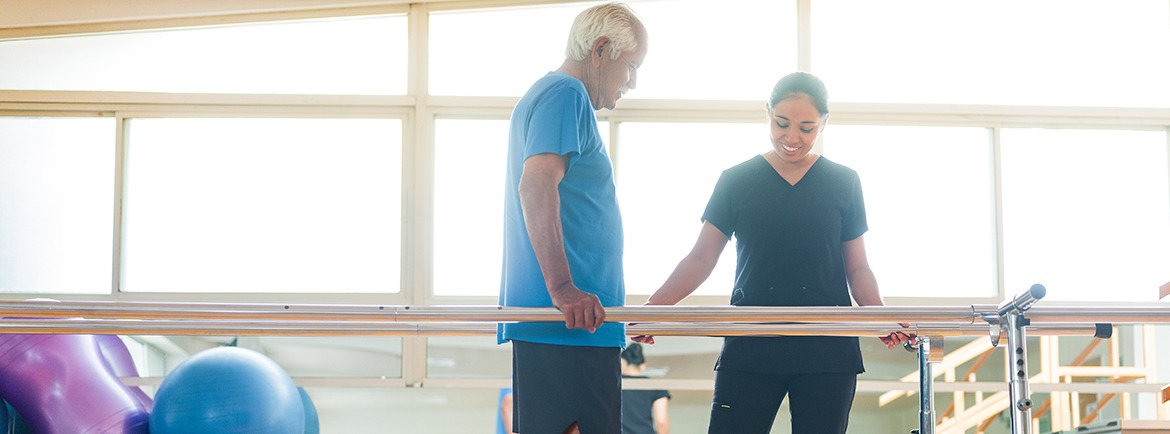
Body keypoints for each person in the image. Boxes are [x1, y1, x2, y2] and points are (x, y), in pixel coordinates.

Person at [632, 71, 914, 434]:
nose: (792, 138)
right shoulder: (736, 180)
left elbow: (857, 267)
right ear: (767, 112)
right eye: (782, 123)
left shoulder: (845, 182)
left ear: (825, 124)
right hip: (752, 345)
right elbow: (701, 257)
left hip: (826, 351)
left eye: (807, 127)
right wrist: (655, 309)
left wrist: (878, 316)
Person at [497, 3, 648, 434]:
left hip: (574, 323)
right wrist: (564, 289)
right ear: (601, 49)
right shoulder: (566, 94)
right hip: (569, 325)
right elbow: (536, 185)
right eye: (631, 66)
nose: (633, 82)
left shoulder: (553, 96)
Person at [620, 343, 670, 434]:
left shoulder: (614, 386)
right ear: (643, 365)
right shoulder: (655, 386)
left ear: (622, 363)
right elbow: (661, 422)